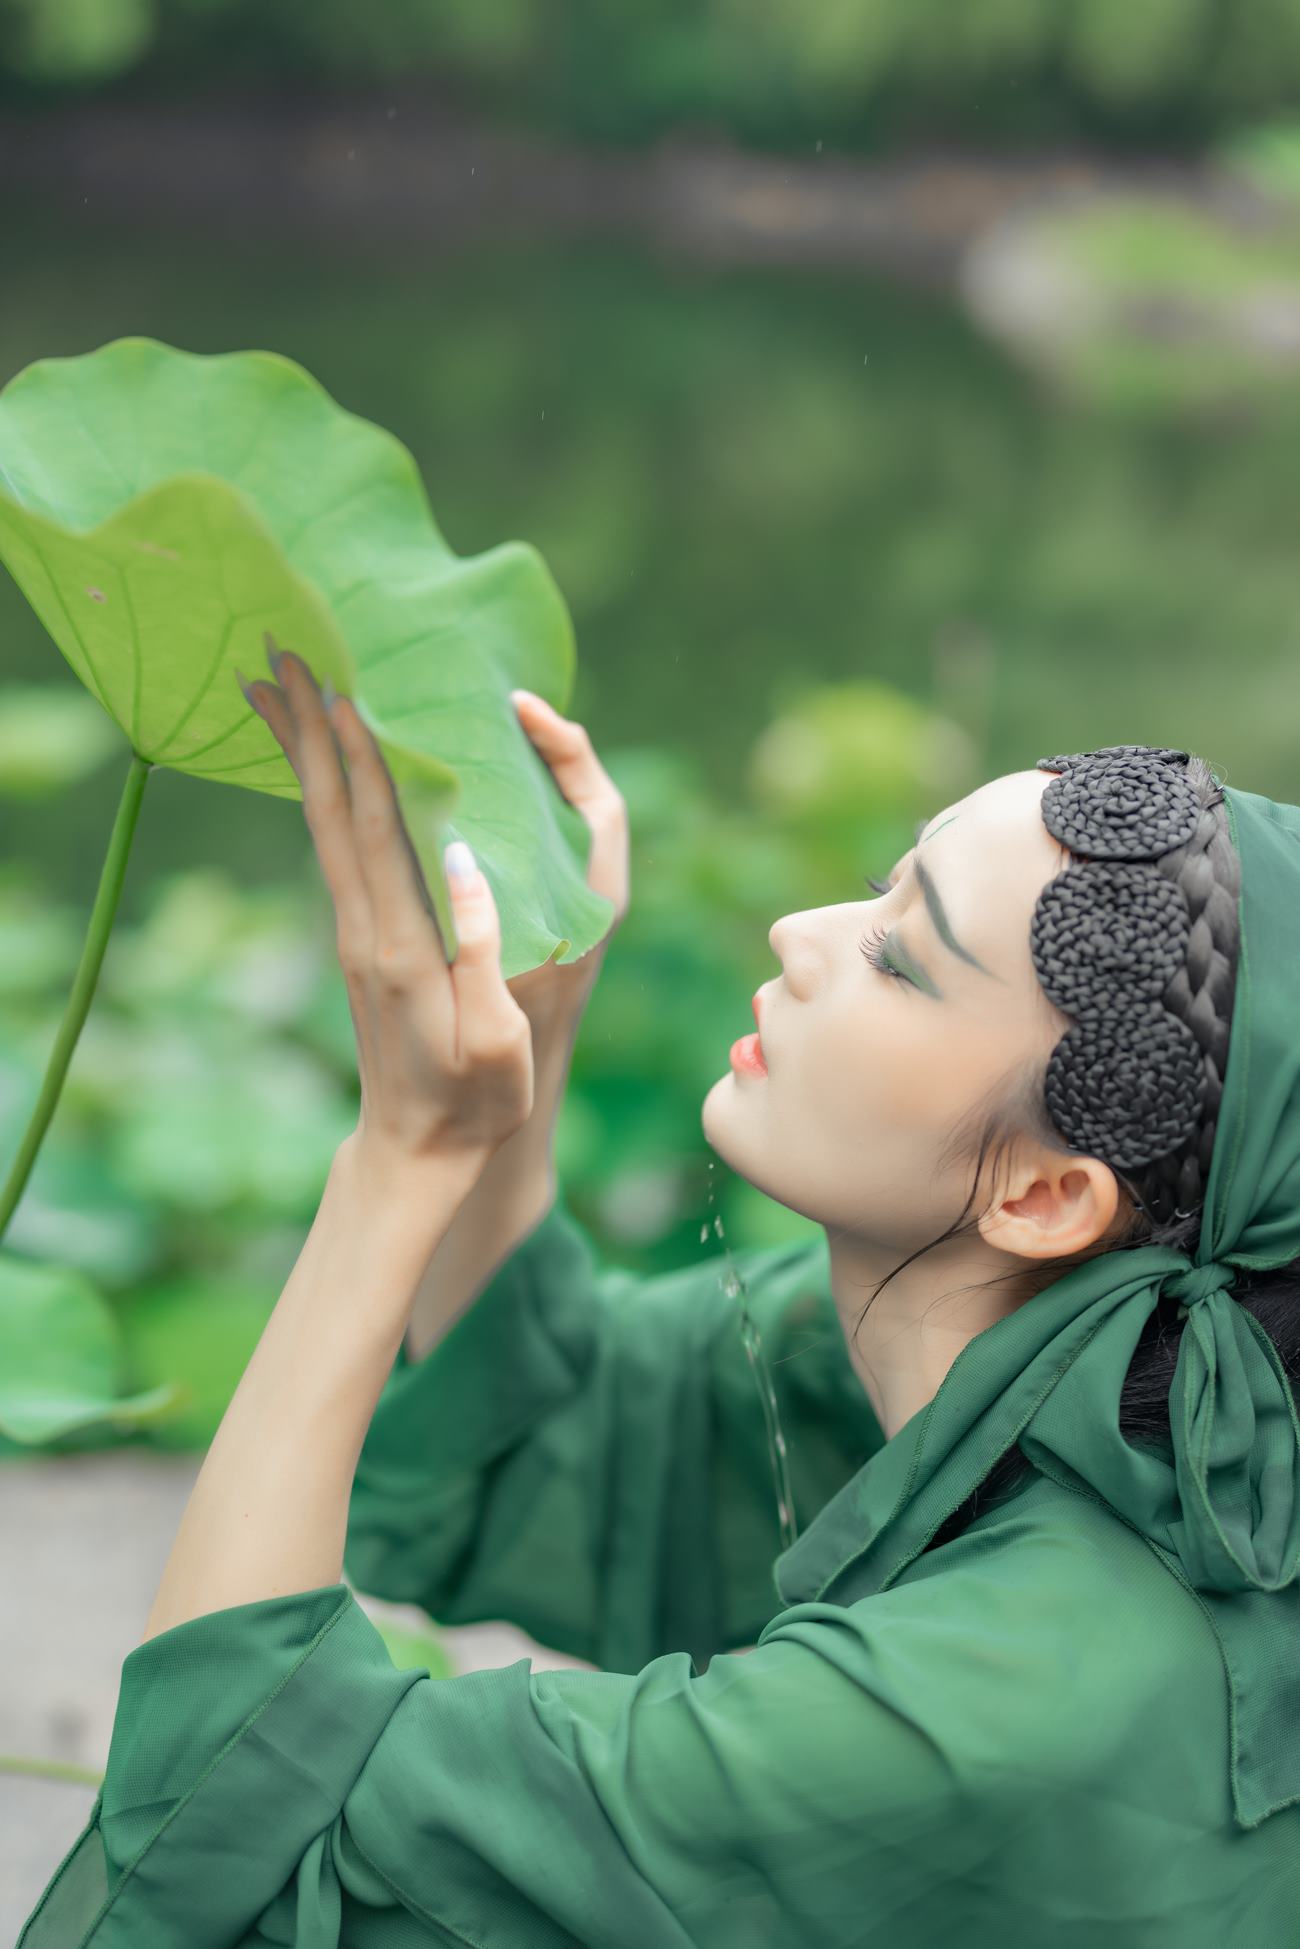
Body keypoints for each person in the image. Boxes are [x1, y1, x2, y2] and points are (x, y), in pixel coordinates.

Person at [18, 662, 1300, 1946]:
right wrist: (532, 1034)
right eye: (874, 889)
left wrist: (397, 1164)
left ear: (1039, 1196)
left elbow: (224, 1832)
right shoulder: (1045, 1378)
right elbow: (560, 1425)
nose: (800, 935)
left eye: (898, 960)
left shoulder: (989, 1712)